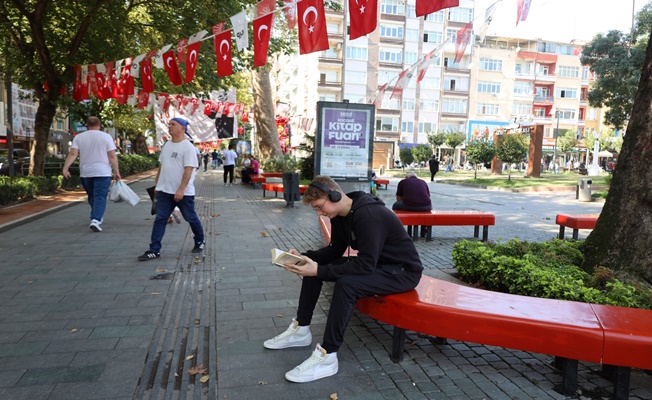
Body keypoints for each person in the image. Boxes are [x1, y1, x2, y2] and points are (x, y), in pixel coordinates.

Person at [263, 175, 423, 383]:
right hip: (379, 267)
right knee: (313, 267)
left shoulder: (369, 215)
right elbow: (335, 249)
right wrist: (305, 257)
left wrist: (319, 271)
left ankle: (328, 355)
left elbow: (365, 265)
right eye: (316, 210)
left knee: (347, 284)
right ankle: (301, 330)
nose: (320, 213)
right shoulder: (340, 215)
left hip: (403, 273)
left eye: (320, 207)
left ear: (335, 195)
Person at [138, 117, 205, 261]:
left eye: (173, 124)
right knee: (160, 219)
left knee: (190, 217)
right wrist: (158, 184)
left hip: (183, 193)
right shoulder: (167, 144)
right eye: (169, 124)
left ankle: (200, 241)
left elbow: (188, 170)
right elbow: (162, 166)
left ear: (182, 128)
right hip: (164, 192)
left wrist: (180, 190)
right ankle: (154, 250)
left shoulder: (188, 147)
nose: (169, 126)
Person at [62, 116, 121, 232]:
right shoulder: (106, 137)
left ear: (87, 125)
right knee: (100, 196)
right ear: (99, 124)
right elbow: (112, 156)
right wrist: (116, 171)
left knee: (92, 196)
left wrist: (65, 168)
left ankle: (96, 216)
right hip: (103, 172)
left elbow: (73, 154)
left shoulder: (78, 137)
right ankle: (96, 219)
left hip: (86, 173)